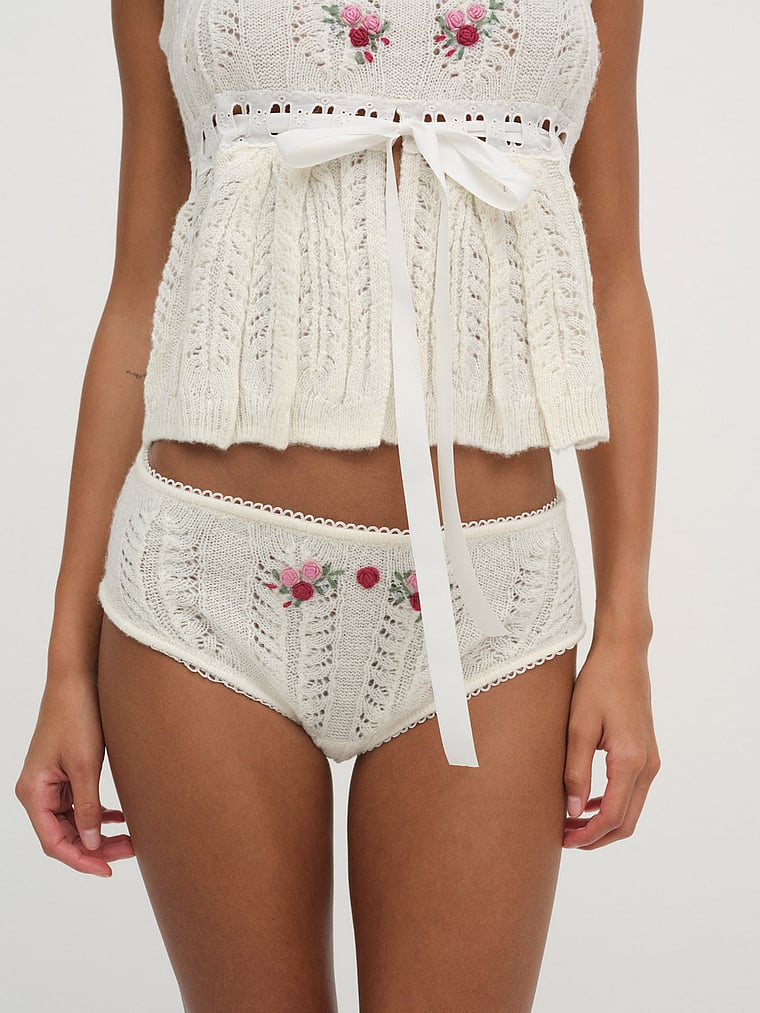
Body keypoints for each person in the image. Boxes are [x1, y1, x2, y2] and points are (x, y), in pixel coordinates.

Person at [15, 1, 661, 1010]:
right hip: (203, 593)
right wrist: (65, 661)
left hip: (493, 613)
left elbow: (611, 278)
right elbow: (141, 286)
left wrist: (626, 631)